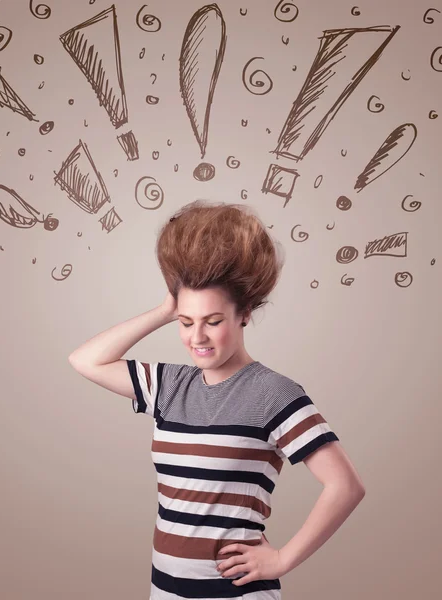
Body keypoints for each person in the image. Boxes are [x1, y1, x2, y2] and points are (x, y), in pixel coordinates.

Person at [68, 200, 366, 599]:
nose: (197, 338)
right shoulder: (168, 385)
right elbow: (85, 360)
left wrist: (282, 560)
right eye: (186, 322)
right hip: (165, 591)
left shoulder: (273, 394)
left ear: (244, 313)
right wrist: (165, 308)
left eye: (213, 321)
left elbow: (346, 486)